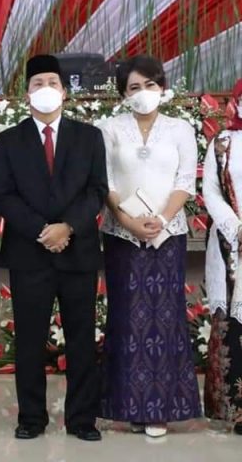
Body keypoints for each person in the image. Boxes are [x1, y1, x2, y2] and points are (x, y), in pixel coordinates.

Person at [0, 55, 107, 441]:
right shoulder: (8, 140)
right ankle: (31, 419)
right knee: (29, 339)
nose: (45, 89)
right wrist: (44, 230)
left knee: (80, 338)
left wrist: (68, 227)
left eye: (51, 83)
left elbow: (96, 191)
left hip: (78, 252)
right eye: (37, 83)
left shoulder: (89, 137)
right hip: (30, 252)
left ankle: (81, 420)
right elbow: (4, 195)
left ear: (65, 91)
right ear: (27, 94)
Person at [97, 55, 201, 438]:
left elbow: (185, 179)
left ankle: (160, 407)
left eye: (150, 85)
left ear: (163, 87)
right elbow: (104, 181)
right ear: (123, 93)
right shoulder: (108, 128)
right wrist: (128, 221)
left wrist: (161, 219)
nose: (143, 94)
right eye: (134, 88)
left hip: (167, 234)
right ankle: (124, 405)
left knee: (164, 318)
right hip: (122, 234)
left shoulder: (180, 129)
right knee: (126, 317)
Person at [197, 81, 242, 434]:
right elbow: (210, 190)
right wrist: (233, 225)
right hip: (230, 242)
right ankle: (234, 411)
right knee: (231, 325)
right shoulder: (222, 143)